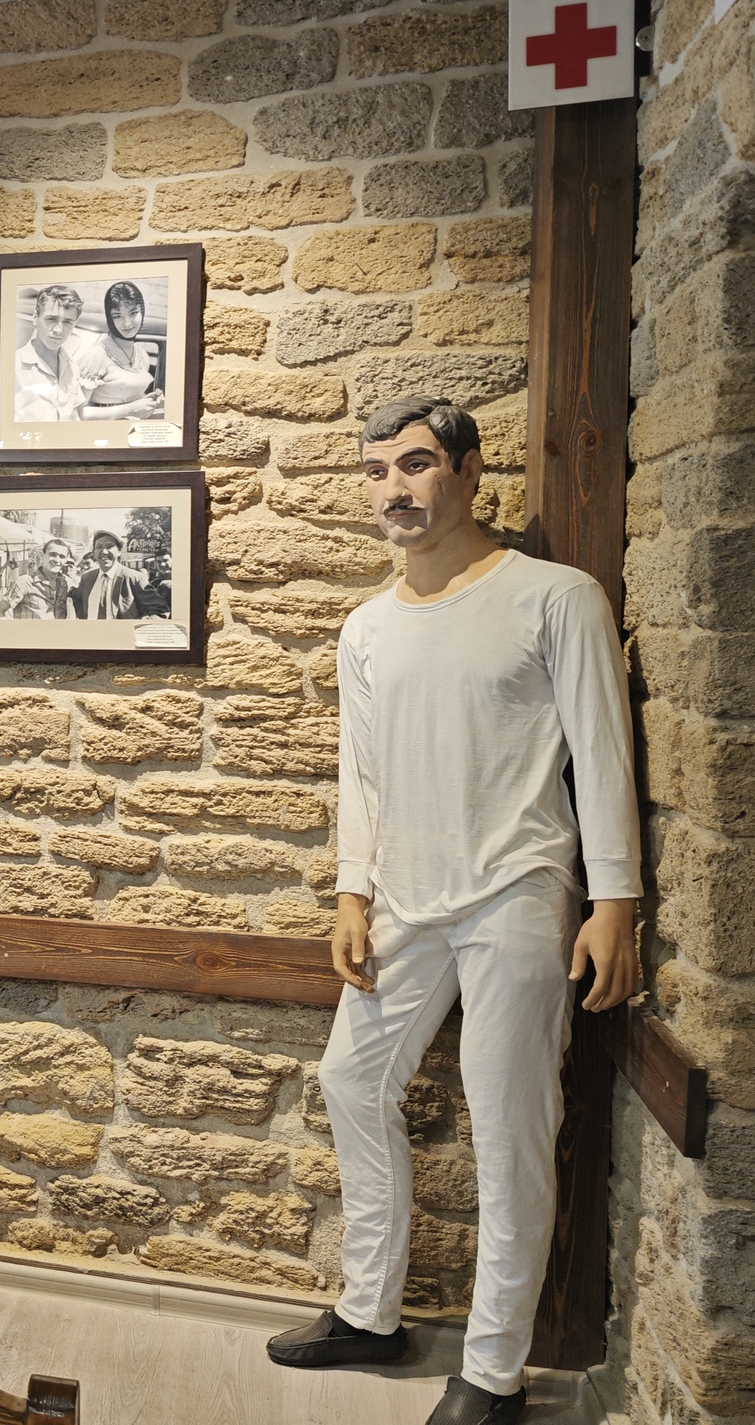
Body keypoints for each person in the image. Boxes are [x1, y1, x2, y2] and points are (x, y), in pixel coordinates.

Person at [264, 399, 640, 1425]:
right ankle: (369, 1311)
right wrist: (351, 889)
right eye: (376, 470)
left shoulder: (553, 598)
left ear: (470, 472)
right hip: (403, 897)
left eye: (417, 464)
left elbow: (602, 752)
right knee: (351, 1081)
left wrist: (613, 900)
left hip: (518, 891)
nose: (394, 488)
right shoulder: (366, 627)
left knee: (509, 1127)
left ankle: (492, 1372)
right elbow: (361, 773)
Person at [72, 280, 165, 422]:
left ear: (142, 312)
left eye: (133, 313)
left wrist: (146, 401)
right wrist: (130, 409)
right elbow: (79, 413)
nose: (127, 323)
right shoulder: (97, 354)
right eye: (117, 316)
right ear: (110, 318)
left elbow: (126, 398)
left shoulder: (142, 355)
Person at [13, 285, 84, 423]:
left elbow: (74, 416)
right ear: (35, 317)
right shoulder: (13, 365)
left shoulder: (72, 367)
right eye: (51, 319)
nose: (58, 330)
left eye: (67, 322)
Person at [69, 531, 149, 619]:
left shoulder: (135, 578)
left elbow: (156, 609)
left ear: (119, 551)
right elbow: (79, 605)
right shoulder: (87, 578)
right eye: (99, 547)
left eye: (109, 546)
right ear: (94, 552)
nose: (104, 552)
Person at [1, 536, 77, 620]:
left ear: (66, 560)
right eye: (53, 555)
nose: (57, 560)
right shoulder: (25, 582)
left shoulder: (67, 583)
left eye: (62, 556)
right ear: (42, 555)